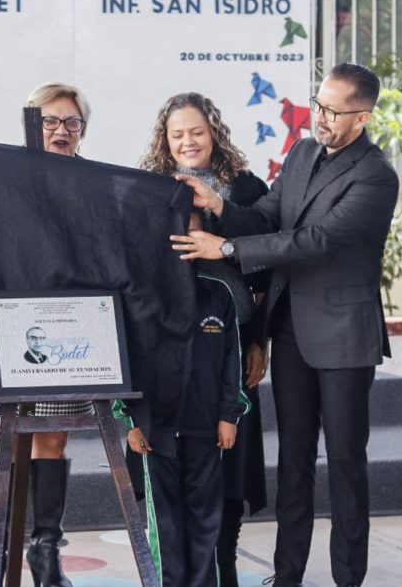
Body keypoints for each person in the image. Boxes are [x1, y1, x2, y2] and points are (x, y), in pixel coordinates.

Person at [170, 63, 399, 587]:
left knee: (345, 463)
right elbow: (268, 216)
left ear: (362, 117)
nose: (320, 117)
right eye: (318, 104)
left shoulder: (376, 175)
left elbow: (316, 241)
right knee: (293, 461)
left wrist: (226, 248)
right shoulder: (302, 153)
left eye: (333, 110)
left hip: (344, 337)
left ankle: (348, 578)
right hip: (291, 329)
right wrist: (218, 205)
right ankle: (287, 574)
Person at [0, 81, 94, 587]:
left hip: (68, 329)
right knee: (0, 434)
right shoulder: (2, 178)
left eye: (72, 122)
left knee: (53, 437)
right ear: (30, 125)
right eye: (50, 121)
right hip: (8, 325)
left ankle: (45, 552)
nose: (61, 130)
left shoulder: (94, 184)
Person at [138, 92, 269, 586]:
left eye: (197, 131)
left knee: (226, 472)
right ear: (165, 139)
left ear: (214, 131)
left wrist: (258, 340)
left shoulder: (245, 186)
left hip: (226, 348)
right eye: (177, 134)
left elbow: (266, 261)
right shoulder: (149, 186)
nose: (188, 141)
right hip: (165, 364)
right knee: (167, 484)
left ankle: (223, 566)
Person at [124, 206, 244, 587]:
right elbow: (125, 362)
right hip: (155, 431)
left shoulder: (218, 294)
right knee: (165, 520)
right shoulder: (141, 295)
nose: (182, 239)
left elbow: (232, 361)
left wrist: (228, 415)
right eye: (174, 231)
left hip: (205, 427)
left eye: (191, 232)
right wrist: (129, 421)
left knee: (205, 517)